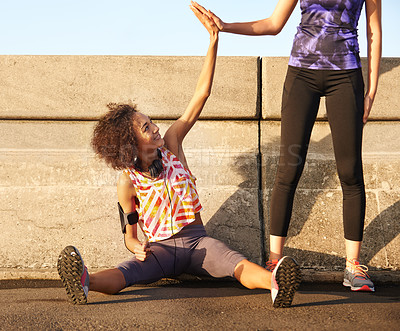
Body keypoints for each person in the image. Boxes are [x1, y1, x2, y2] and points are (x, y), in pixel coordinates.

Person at [57, 2, 301, 308]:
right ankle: (84, 281)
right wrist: (137, 246)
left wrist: (213, 41)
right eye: (147, 127)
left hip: (199, 242)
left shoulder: (172, 144)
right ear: (131, 145)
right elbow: (129, 232)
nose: (157, 128)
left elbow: (202, 94)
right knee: (127, 273)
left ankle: (276, 282)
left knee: (235, 263)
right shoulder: (128, 182)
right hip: (159, 251)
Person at [192, 0, 382, 292]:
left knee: (350, 172)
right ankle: (274, 262)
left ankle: (353, 267)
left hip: (346, 75)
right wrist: (224, 26)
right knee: (287, 170)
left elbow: (373, 31)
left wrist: (370, 91)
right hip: (301, 75)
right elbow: (273, 24)